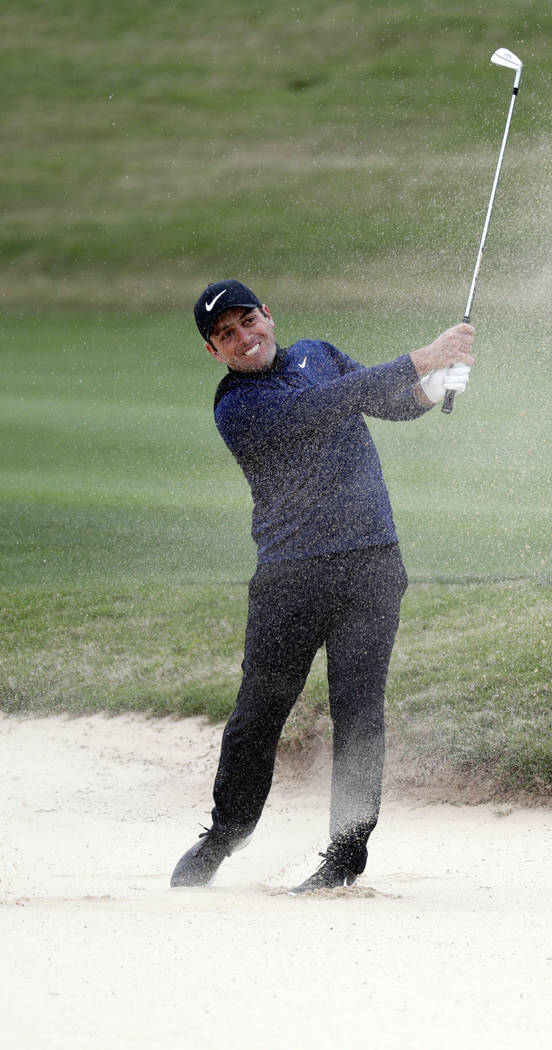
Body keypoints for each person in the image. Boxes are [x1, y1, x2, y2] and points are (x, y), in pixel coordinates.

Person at [170, 279, 474, 892]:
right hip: (291, 577)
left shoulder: (320, 353)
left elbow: (387, 401)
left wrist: (434, 385)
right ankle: (226, 833)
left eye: (247, 321)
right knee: (259, 713)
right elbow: (324, 407)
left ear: (267, 316)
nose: (242, 337)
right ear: (215, 351)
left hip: (371, 565)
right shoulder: (236, 407)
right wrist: (425, 355)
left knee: (359, 713)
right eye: (225, 334)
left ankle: (346, 853)